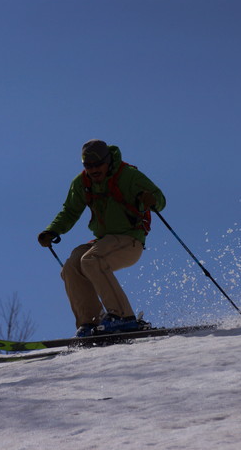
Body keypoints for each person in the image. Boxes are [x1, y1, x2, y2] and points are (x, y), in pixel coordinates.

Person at [38, 140, 166, 337]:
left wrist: (151, 199)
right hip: (104, 241)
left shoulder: (128, 176)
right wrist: (52, 231)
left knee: (91, 260)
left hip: (130, 240)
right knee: (72, 266)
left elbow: (159, 198)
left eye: (98, 164)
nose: (93, 169)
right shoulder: (82, 183)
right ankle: (90, 323)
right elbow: (70, 211)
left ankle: (123, 318)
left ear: (108, 161)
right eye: (88, 166)